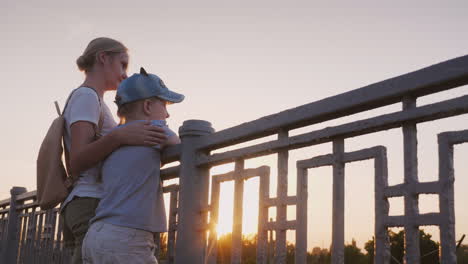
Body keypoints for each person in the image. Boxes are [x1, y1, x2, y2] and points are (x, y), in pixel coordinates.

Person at [62, 38, 168, 264]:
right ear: (103, 58)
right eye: (122, 64)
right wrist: (119, 135)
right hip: (92, 202)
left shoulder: (93, 99)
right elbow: (77, 160)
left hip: (92, 204)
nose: (125, 74)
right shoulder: (86, 96)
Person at [82, 67, 184, 264]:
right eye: (164, 105)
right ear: (147, 106)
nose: (168, 115)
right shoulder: (153, 129)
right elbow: (181, 146)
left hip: (96, 233)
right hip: (127, 238)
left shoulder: (115, 138)